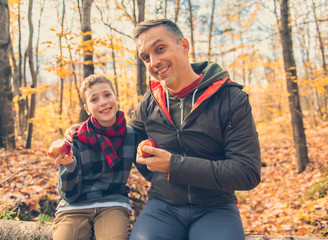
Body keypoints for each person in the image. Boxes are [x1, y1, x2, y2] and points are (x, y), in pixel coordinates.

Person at [65, 19, 261, 240]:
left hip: (216, 207)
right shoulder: (150, 102)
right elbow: (125, 135)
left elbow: (247, 172)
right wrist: (85, 129)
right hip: (163, 206)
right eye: (145, 57)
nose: (154, 62)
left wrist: (173, 165)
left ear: (184, 46)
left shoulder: (231, 98)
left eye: (160, 49)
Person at [50, 74, 150, 240]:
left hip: (112, 204)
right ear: (87, 109)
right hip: (75, 207)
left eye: (107, 95)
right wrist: (69, 165)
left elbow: (149, 169)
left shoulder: (130, 135)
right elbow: (67, 194)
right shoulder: (76, 139)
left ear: (116, 98)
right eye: (94, 99)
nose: (103, 102)